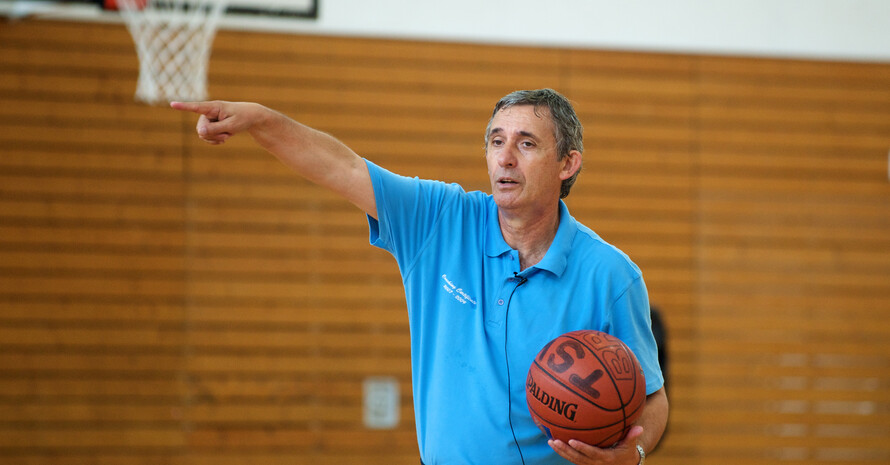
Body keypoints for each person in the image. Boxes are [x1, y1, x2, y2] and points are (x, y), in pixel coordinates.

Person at [171, 88, 668, 465]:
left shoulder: (610, 274)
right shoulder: (439, 220)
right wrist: (263, 120)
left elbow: (652, 399)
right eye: (496, 141)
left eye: (526, 143)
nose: (505, 157)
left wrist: (634, 454)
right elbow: (339, 168)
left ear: (568, 164)